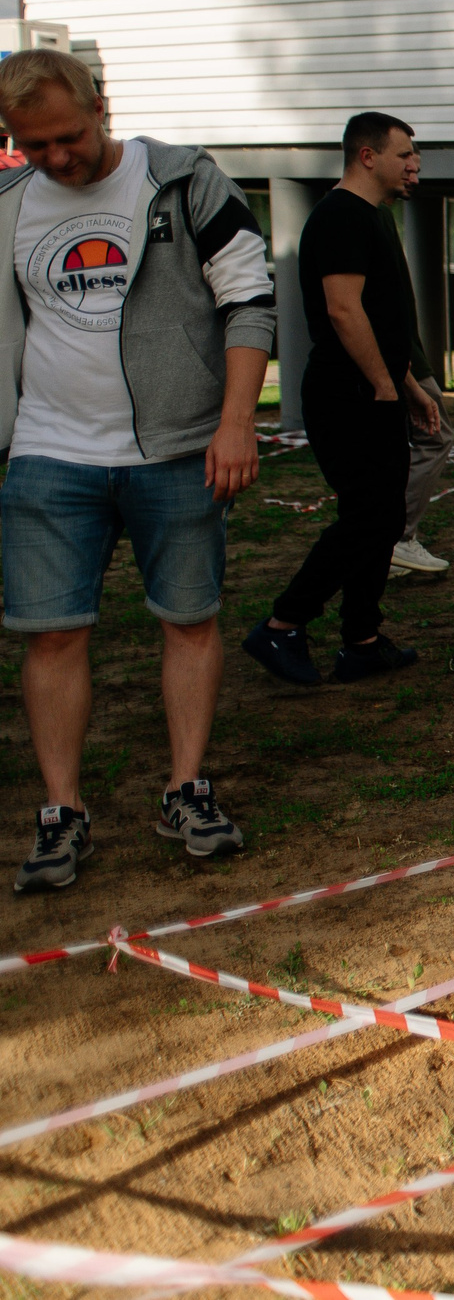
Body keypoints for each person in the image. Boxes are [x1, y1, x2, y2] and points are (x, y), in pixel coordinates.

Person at [0, 49, 273, 891]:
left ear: (100, 106)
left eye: (68, 136)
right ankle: (61, 811)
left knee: (189, 619)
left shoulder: (185, 181)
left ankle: (187, 789)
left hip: (177, 449)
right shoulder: (9, 205)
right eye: (33, 144)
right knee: (52, 633)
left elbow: (249, 300)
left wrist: (235, 423)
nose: (56, 157)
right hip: (48, 452)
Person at [243, 114, 438, 686]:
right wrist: (383, 385)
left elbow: (380, 318)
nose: (414, 165)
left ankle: (362, 641)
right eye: (404, 154)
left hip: (373, 389)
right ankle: (282, 624)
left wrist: (407, 387)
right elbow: (344, 310)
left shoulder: (372, 216)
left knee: (381, 518)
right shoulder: (340, 216)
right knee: (370, 517)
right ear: (367, 156)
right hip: (347, 395)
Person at [385, 203, 452, 579]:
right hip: (399, 360)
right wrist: (409, 379)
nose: (413, 174)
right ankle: (396, 538)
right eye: (409, 172)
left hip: (400, 358)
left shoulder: (373, 214)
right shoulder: (366, 215)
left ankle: (387, 544)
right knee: (435, 434)